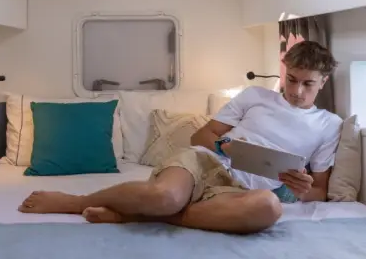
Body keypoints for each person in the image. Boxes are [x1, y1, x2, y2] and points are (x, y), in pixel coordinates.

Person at [19, 41, 342, 234]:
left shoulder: (328, 125)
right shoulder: (255, 96)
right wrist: (225, 147)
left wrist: (294, 191)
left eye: (307, 84)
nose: (296, 90)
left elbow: (320, 190)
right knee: (165, 197)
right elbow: (200, 136)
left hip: (240, 192)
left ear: (323, 82)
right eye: (291, 79)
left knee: (270, 208)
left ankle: (132, 214)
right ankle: (75, 202)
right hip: (205, 163)